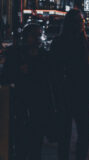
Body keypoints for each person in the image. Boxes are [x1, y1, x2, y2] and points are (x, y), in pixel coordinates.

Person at [51, 9, 89, 160]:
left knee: (83, 135)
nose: (81, 24)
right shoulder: (60, 43)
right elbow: (53, 71)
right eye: (78, 21)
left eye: (82, 21)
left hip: (81, 94)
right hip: (66, 94)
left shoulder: (87, 42)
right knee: (65, 136)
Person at [2, 23, 53, 160]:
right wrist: (18, 72)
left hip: (39, 103)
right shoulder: (15, 54)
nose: (37, 38)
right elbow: (5, 76)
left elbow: (49, 77)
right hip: (20, 102)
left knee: (37, 140)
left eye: (39, 35)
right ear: (26, 37)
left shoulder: (44, 55)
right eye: (34, 35)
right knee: (21, 139)